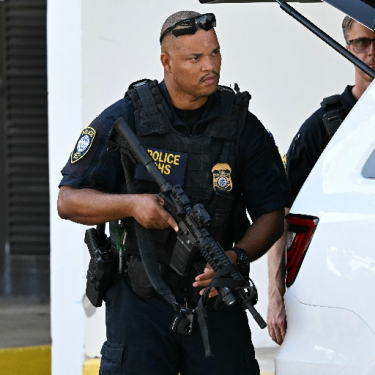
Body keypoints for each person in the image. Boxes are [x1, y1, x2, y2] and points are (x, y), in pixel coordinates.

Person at [57, 11, 290, 374]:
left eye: (215, 53)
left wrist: (237, 257)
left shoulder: (241, 126)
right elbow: (68, 200)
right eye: (195, 58)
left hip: (215, 297)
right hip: (139, 302)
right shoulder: (127, 118)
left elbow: (273, 214)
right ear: (166, 61)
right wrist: (132, 205)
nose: (210, 65)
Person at [266, 16, 375, 345]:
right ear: (347, 48)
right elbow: (280, 212)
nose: (373, 52)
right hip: (337, 289)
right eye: (362, 43)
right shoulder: (322, 127)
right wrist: (275, 295)